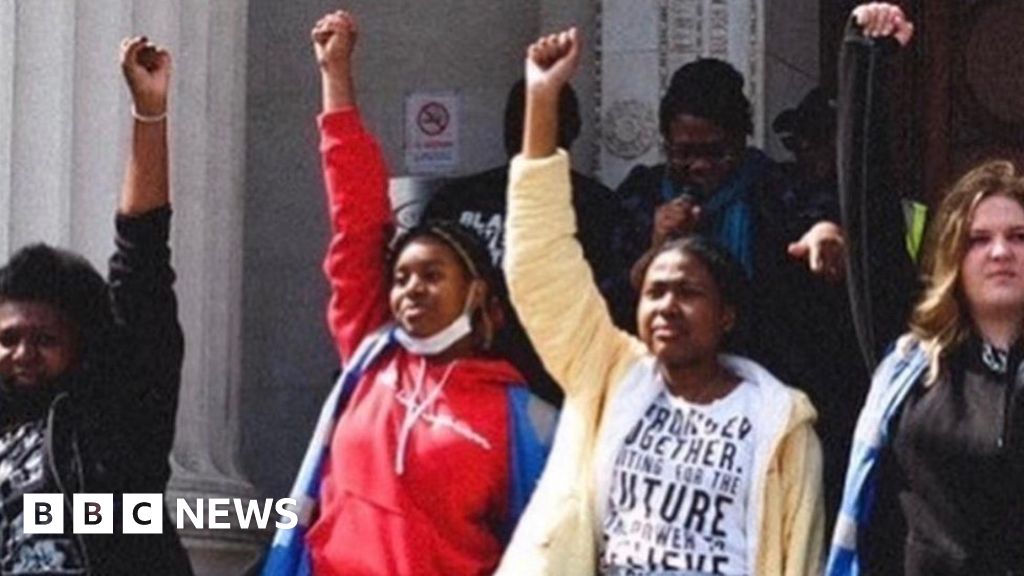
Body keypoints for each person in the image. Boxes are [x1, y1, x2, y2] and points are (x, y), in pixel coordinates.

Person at [498, 27, 823, 576]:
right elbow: (544, 270)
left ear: (726, 312)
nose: (668, 306)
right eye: (656, 291)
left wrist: (826, 233)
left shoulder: (782, 423)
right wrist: (542, 99)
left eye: (689, 292)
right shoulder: (610, 378)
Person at [260, 11, 556, 576]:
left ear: (477, 292)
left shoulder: (527, 419)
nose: (412, 289)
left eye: (432, 275)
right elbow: (356, 219)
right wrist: (335, 76)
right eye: (401, 278)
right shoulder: (371, 356)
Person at [0, 38, 192, 574]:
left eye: (44, 339)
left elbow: (142, 261)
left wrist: (148, 114)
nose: (23, 354)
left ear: (80, 343)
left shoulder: (115, 418)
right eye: (8, 338)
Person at [828, 159, 1024, 575]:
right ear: (954, 257)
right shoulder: (909, 368)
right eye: (978, 239)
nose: (1000, 252)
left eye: (1018, 237)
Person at [423, 79, 627, 404]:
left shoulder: (599, 207)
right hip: (461, 380)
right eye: (519, 118)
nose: (527, 130)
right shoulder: (459, 199)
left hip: (554, 387)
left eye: (542, 117)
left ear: (571, 128)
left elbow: (611, 305)